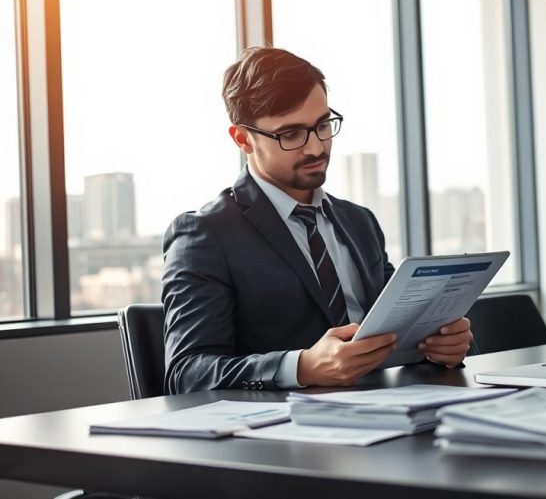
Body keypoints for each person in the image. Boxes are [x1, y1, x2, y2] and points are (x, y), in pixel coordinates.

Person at [162, 47, 473, 394]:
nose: (315, 148)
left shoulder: (359, 222)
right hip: (281, 435)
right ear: (243, 139)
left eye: (323, 125)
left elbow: (396, 328)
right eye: (290, 134)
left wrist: (440, 346)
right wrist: (301, 367)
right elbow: (187, 373)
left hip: (384, 411)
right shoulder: (205, 234)